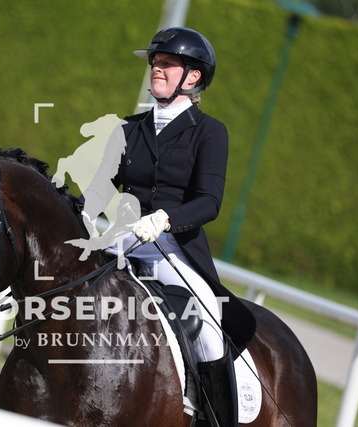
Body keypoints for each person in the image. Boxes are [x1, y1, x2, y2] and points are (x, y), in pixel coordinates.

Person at [90, 27, 257, 426]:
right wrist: (77, 214)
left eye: (167, 63)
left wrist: (165, 219)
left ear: (193, 76)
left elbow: (209, 201)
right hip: (121, 243)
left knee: (207, 331)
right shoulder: (127, 129)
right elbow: (99, 188)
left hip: (173, 250)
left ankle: (216, 419)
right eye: (155, 62)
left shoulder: (210, 132)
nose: (156, 69)